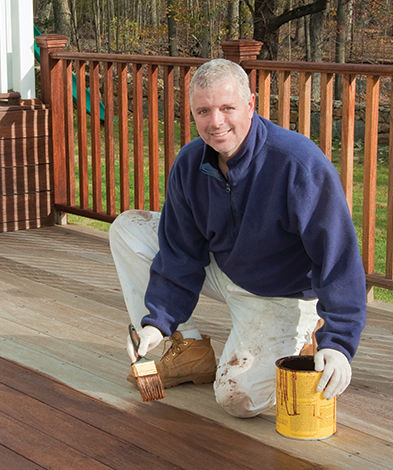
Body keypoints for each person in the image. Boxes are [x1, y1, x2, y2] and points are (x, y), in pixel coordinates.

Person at [109, 58, 366, 418]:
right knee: (128, 227)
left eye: (227, 108)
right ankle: (188, 349)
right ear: (193, 113)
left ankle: (308, 334)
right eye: (204, 110)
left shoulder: (297, 163)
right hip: (226, 267)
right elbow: (179, 251)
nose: (215, 122)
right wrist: (156, 322)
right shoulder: (190, 163)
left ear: (250, 104)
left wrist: (339, 343)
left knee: (238, 400)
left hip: (281, 294)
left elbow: (337, 259)